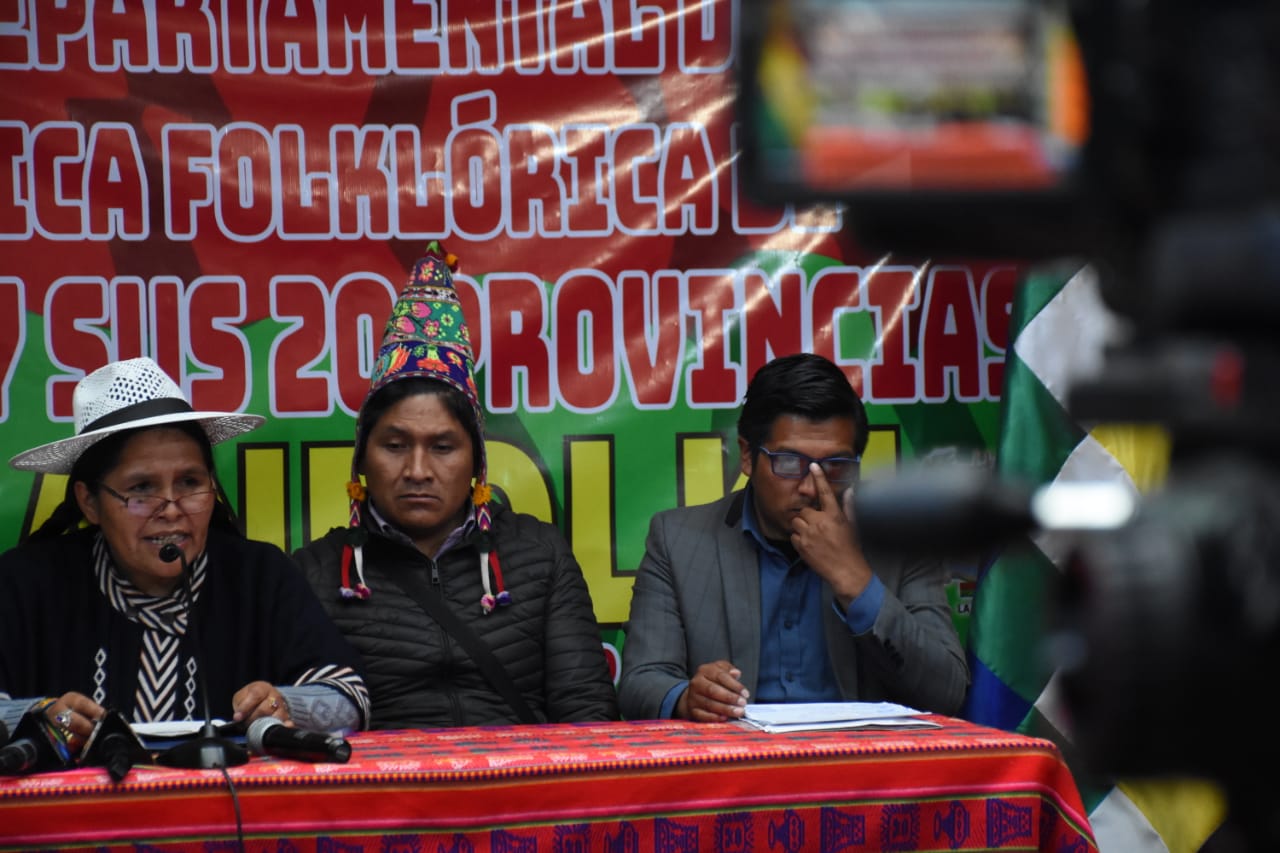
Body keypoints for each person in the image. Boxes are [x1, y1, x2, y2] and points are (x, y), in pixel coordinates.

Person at [293, 243, 618, 729]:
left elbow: (587, 714)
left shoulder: (539, 555)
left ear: (476, 461)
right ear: (361, 458)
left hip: (524, 775)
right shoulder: (317, 573)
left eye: (442, 447)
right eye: (395, 446)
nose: (417, 470)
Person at [0, 358, 370, 755]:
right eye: (142, 488)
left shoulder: (259, 576)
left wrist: (283, 704)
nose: (172, 509)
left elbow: (350, 698)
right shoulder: (28, 582)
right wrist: (40, 716)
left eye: (190, 483)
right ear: (89, 502)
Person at [617, 353, 969, 722]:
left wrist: (855, 580)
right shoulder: (678, 541)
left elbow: (947, 692)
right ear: (747, 456)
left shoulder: (902, 541)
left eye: (835, 466)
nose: (811, 487)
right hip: (736, 755)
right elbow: (641, 681)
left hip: (859, 755)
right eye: (788, 462)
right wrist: (687, 698)